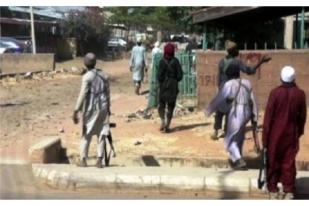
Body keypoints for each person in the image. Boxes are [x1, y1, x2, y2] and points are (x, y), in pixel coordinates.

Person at [211, 40, 271, 140]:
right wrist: (261, 62)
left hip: (223, 89)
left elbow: (219, 76)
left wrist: (219, 88)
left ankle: (216, 131)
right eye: (236, 49)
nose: (238, 51)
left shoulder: (221, 62)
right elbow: (250, 71)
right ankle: (227, 131)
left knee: (220, 111)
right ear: (233, 51)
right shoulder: (237, 62)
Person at [262, 66, 306, 200]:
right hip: (291, 133)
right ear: (294, 78)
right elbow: (302, 117)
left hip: (275, 134)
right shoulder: (300, 94)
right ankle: (288, 190)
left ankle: (273, 189)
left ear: (281, 78)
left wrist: (265, 138)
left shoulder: (275, 93)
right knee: (288, 162)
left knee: (273, 160)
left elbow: (268, 117)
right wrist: (298, 132)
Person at [206, 60, 258, 170]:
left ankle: (239, 160)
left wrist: (209, 111)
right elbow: (253, 100)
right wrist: (255, 116)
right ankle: (235, 160)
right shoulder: (246, 82)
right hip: (247, 113)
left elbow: (218, 100)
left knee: (228, 140)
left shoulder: (228, 85)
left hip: (236, 114)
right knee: (239, 137)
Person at [73, 53, 111, 168]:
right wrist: (109, 108)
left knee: (86, 133)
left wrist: (76, 110)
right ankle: (100, 160)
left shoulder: (87, 77)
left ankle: (83, 160)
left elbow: (83, 94)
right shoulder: (104, 75)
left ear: (86, 62)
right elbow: (108, 94)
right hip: (103, 107)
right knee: (102, 133)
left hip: (91, 108)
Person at [157, 43, 183, 133]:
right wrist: (174, 79)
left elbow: (159, 77)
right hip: (173, 86)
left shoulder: (161, 61)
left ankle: (162, 120)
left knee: (161, 104)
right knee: (171, 106)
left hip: (163, 86)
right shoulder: (176, 61)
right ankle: (167, 124)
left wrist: (163, 81)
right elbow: (180, 76)